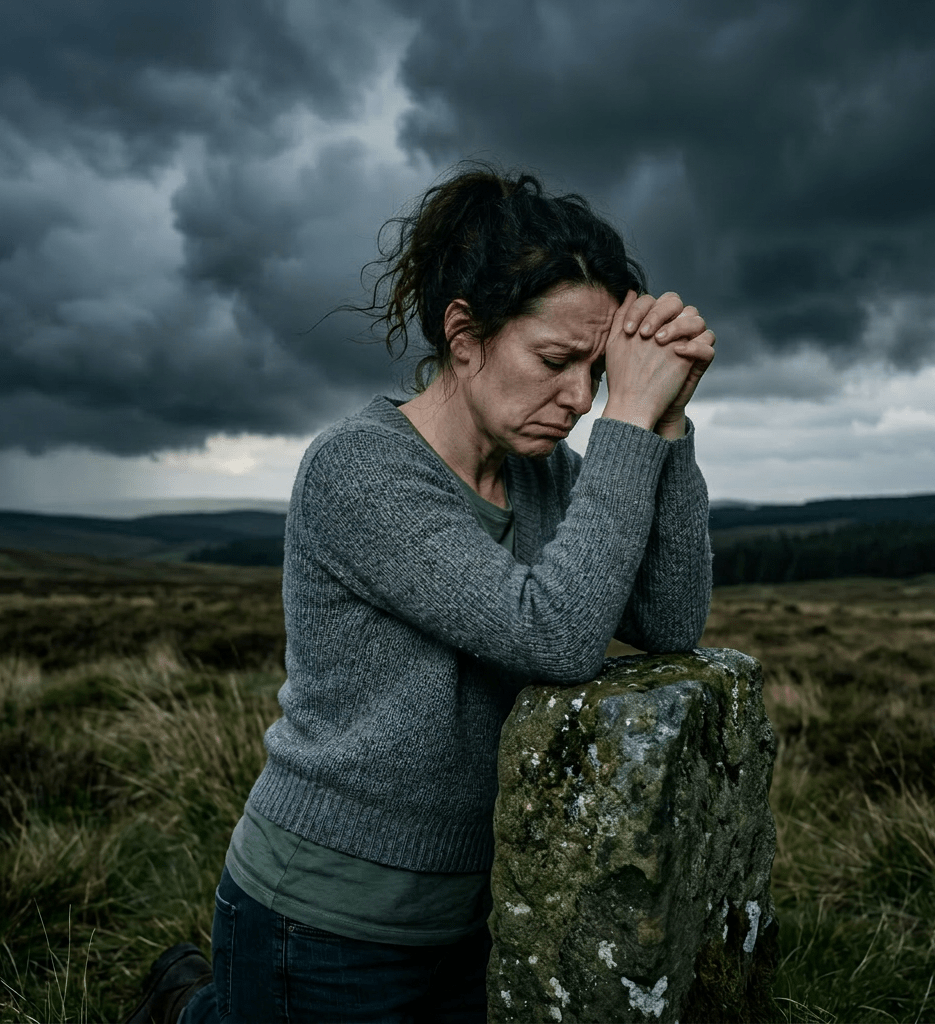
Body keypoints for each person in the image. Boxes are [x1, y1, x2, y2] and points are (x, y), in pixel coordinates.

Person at [127, 163, 715, 1024]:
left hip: (473, 913)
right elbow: (553, 633)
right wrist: (630, 422)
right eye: (556, 361)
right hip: (319, 918)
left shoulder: (548, 475)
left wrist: (667, 427)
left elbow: (668, 624)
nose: (582, 400)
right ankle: (185, 1006)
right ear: (465, 335)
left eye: (599, 373)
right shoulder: (358, 469)